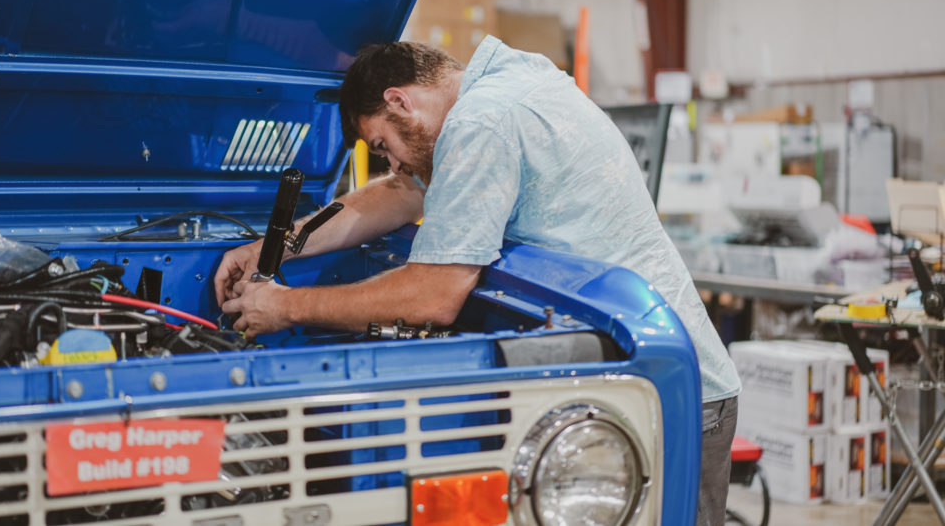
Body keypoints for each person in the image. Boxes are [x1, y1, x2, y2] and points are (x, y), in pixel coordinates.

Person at [214, 35, 741, 525]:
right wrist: (276, 244)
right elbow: (403, 194)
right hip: (622, 368)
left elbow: (433, 295)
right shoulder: (510, 81)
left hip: (663, 388)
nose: (390, 161)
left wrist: (288, 307)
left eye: (382, 143)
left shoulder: (481, 121)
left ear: (399, 100)